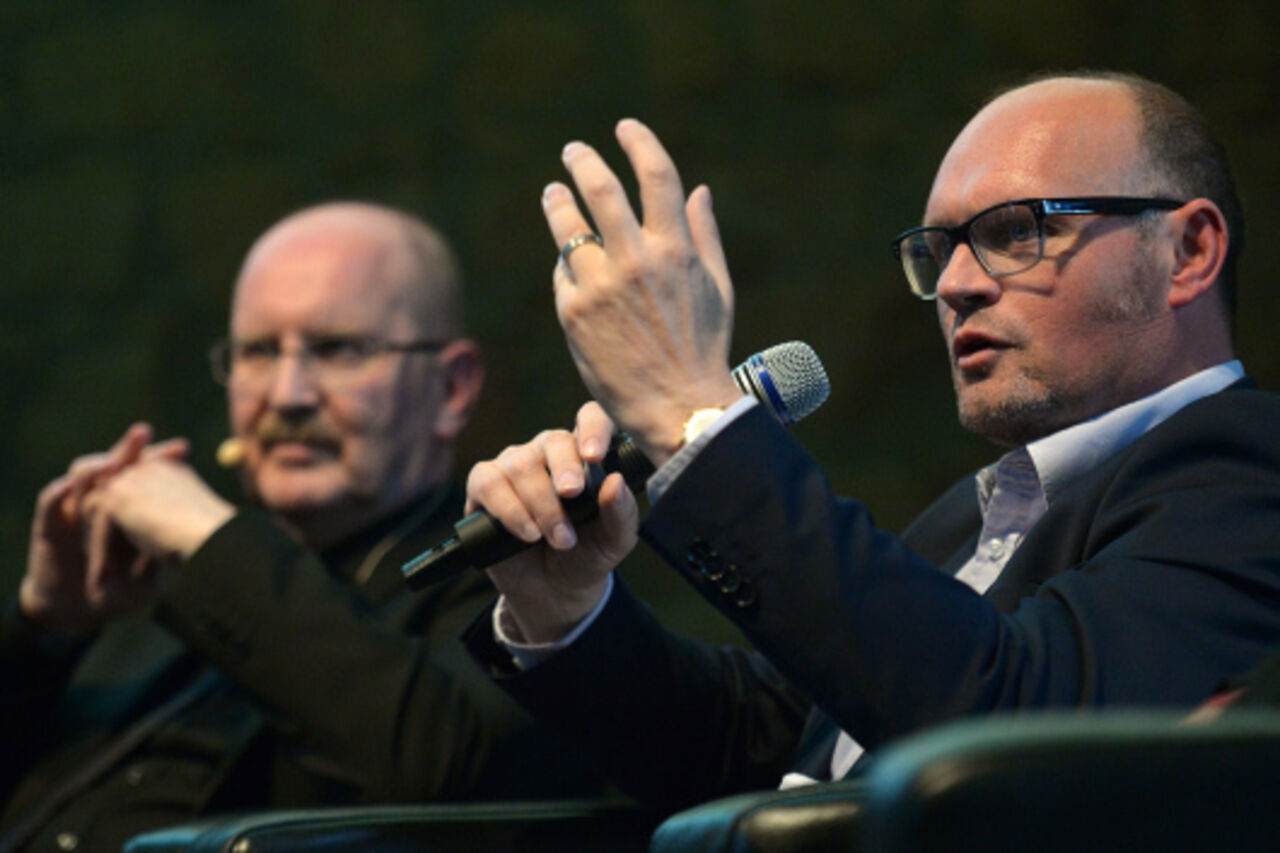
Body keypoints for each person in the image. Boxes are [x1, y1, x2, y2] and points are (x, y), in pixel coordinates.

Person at [460, 71, 1280, 812]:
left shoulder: (1247, 470)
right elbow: (767, 743)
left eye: (1015, 229)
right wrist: (564, 608)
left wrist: (687, 409)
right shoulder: (982, 509)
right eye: (938, 248)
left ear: (1188, 251)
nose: (956, 284)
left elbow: (1019, 740)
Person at [1, 202, 598, 852]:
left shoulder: (512, 582)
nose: (286, 395)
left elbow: (451, 774)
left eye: (338, 349)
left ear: (451, 389)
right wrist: (43, 630)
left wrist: (214, 541)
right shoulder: (140, 590)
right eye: (258, 351)